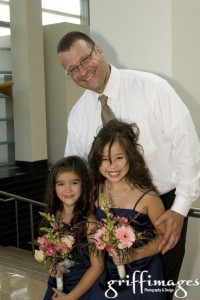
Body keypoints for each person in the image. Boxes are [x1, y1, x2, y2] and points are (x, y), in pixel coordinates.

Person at [57, 31, 200, 299]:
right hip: (105, 216)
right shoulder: (78, 114)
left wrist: (180, 209)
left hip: (162, 210)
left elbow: (187, 147)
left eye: (85, 59)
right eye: (72, 69)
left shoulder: (152, 88)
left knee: (156, 291)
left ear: (98, 50)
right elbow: (76, 172)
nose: (82, 71)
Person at [88, 119, 166, 299]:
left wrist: (133, 255)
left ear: (130, 157)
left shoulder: (148, 198)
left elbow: (164, 237)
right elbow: (91, 216)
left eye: (119, 158)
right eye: (105, 159)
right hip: (106, 274)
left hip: (143, 275)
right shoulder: (95, 191)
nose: (112, 166)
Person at [41, 156, 104, 300]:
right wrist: (51, 266)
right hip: (56, 287)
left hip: (80, 291)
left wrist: (70, 297)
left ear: (84, 184)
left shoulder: (90, 222)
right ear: (54, 187)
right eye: (61, 184)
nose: (67, 189)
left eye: (74, 183)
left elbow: (97, 267)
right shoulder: (54, 216)